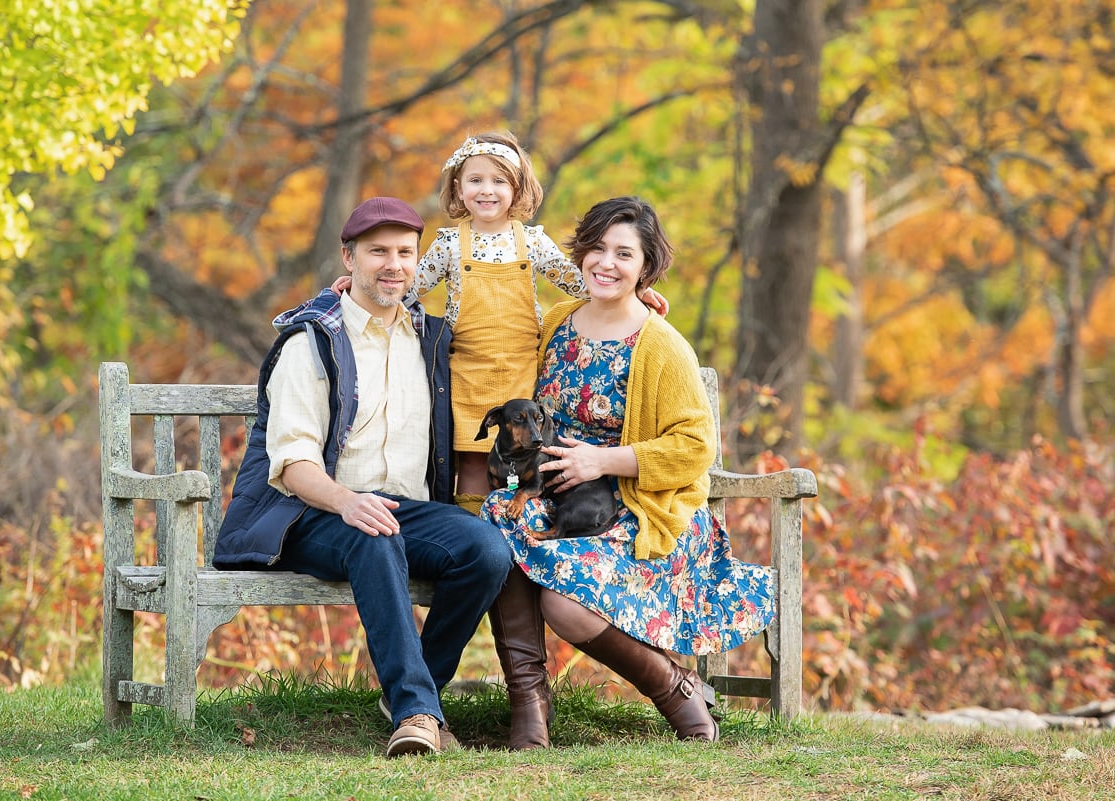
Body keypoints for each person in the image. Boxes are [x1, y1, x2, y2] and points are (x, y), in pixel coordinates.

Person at [213, 197, 513, 758]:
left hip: (402, 509)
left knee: (488, 550)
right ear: (349, 258)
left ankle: (413, 688)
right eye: (378, 252)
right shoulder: (311, 343)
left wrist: (628, 296)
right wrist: (347, 501)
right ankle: (417, 713)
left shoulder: (432, 340)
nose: (393, 265)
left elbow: (513, 340)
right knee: (374, 535)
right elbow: (293, 464)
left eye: (405, 252)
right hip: (310, 513)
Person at [481, 196, 777, 748]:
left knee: (564, 604)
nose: (606, 263)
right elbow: (482, 339)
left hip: (637, 509)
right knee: (500, 520)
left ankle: (675, 688)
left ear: (646, 266)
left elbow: (695, 446)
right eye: (597, 248)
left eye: (624, 254)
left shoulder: (660, 344)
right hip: (556, 501)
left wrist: (603, 460)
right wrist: (358, 294)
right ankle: (529, 703)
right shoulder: (557, 322)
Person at [333, 132, 668, 515]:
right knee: (474, 462)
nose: (487, 190)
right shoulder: (449, 245)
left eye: (499, 181)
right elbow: (407, 288)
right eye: (475, 180)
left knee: (520, 458)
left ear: (517, 188)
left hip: (520, 372)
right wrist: (358, 287)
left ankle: (513, 528)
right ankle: (473, 531)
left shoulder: (532, 242)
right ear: (458, 189)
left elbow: (581, 283)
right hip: (468, 373)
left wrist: (636, 291)